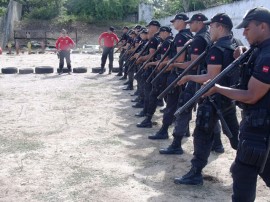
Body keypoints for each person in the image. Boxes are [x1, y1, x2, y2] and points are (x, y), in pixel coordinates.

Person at [203, 7, 270, 202]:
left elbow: (251, 95)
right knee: (262, 168)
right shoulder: (260, 49)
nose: (243, 33)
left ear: (263, 26)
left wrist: (217, 88)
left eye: (247, 28)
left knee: (243, 175)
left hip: (260, 127)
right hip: (257, 124)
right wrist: (243, 51)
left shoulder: (267, 56)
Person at [173, 13, 240, 185]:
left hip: (212, 99)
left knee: (202, 135)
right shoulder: (236, 44)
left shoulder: (217, 49)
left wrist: (189, 78)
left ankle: (195, 173)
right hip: (228, 96)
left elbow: (211, 77)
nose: (209, 29)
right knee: (235, 136)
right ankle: (248, 163)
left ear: (220, 27)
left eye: (212, 26)